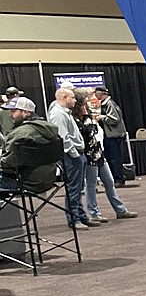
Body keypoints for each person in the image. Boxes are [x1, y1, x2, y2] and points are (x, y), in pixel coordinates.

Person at [73, 90, 135, 221]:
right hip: (89, 155)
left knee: (109, 182)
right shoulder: (76, 120)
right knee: (91, 185)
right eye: (84, 103)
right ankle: (94, 213)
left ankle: (120, 210)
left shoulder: (87, 117)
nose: (87, 106)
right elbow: (85, 135)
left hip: (98, 153)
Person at [47, 87, 90, 228]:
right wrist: (75, 154)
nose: (75, 100)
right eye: (72, 97)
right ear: (64, 98)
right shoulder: (58, 114)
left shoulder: (65, 113)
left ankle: (81, 216)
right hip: (71, 156)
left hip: (76, 154)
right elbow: (63, 137)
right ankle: (74, 220)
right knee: (73, 188)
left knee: (78, 187)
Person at [0, 96, 61, 195]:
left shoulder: (20, 133)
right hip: (48, 179)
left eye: (13, 111)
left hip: (26, 182)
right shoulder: (50, 129)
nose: (10, 115)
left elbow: (8, 162)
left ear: (26, 112)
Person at [94, 86, 128, 186]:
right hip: (109, 136)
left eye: (96, 93)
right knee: (110, 158)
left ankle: (119, 180)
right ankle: (113, 179)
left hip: (114, 136)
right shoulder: (105, 104)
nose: (95, 95)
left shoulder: (110, 104)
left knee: (115, 159)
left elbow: (115, 119)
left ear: (101, 93)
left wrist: (101, 117)